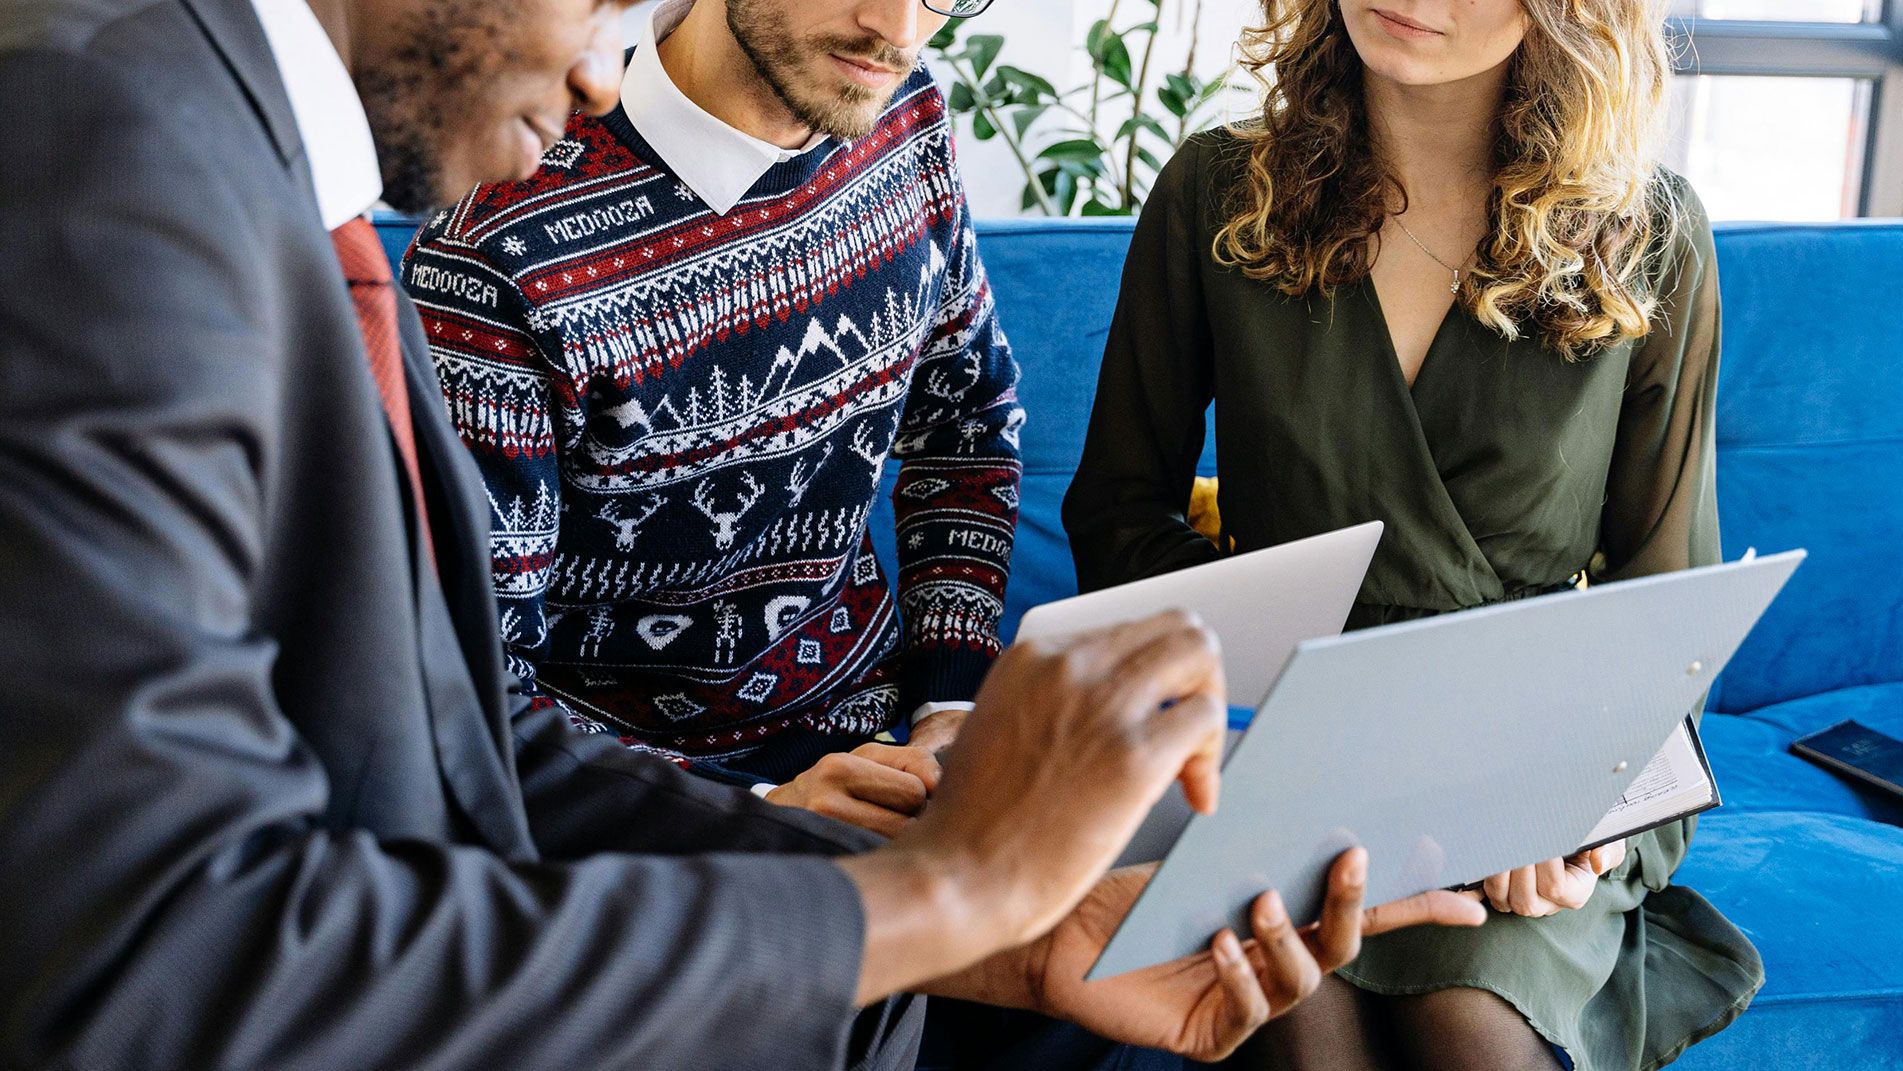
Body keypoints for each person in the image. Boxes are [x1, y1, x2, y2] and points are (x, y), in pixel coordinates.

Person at [0, 0, 1487, 1067]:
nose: (603, 68)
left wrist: (982, 918)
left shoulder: (219, 138)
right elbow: (158, 961)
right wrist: (924, 887)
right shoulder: (109, 136)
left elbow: (457, 746)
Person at [1062, 1, 1763, 1069]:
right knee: (1302, 1025)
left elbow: (1667, 606)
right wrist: (1275, 705)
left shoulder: (1650, 229)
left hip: (1528, 758)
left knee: (1469, 1026)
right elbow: (1117, 513)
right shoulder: (1217, 189)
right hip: (1284, 746)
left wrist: (1588, 809)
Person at [403, 0, 1021, 835]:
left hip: (895, 754)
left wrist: (951, 702)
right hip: (652, 824)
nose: (901, 31)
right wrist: (757, 812)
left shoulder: (902, 111)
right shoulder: (493, 255)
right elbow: (473, 686)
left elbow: (966, 423)